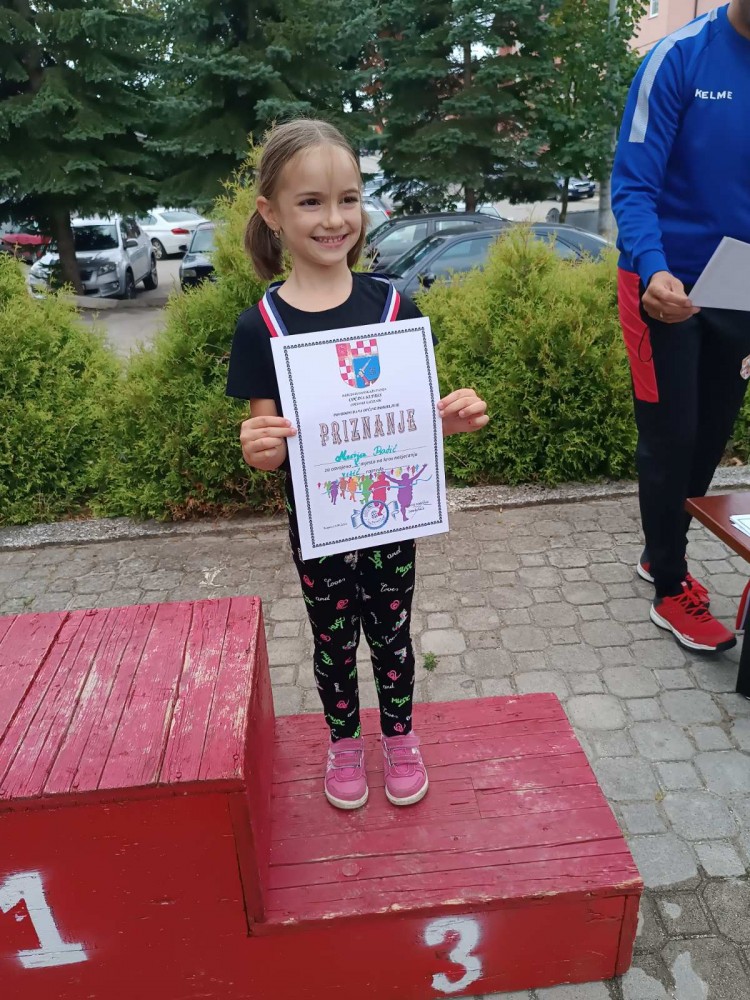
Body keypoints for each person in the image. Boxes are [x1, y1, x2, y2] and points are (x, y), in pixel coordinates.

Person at [225, 119, 489, 810]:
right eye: (310, 201)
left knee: (393, 635)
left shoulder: (394, 306)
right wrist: (258, 448)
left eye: (348, 198)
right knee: (333, 639)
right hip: (320, 528)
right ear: (272, 213)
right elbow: (266, 441)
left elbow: (411, 418)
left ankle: (399, 735)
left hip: (391, 514)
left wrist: (449, 419)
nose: (334, 218)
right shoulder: (262, 326)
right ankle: (344, 742)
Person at [611, 0, 750, 654]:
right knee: (670, 438)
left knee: (710, 435)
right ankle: (670, 585)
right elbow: (633, 184)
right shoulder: (680, 57)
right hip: (663, 282)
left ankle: (659, 546)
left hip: (740, 284)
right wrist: (653, 266)